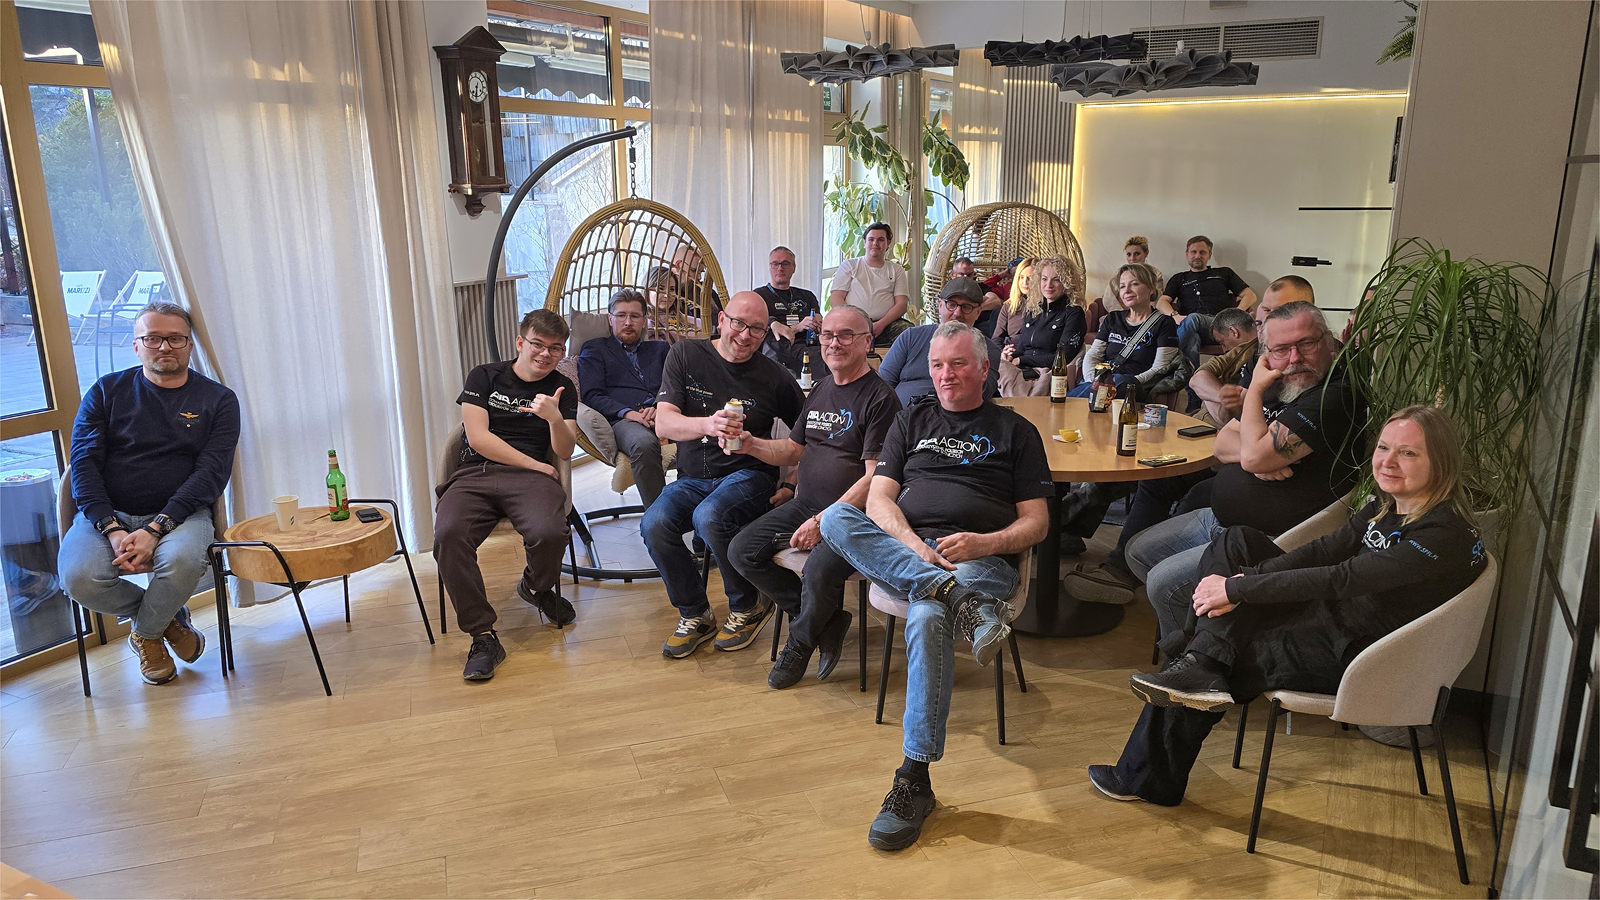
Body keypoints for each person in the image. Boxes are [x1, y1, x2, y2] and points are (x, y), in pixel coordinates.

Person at [1089, 406, 1486, 806]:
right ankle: (1200, 662)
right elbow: (1325, 550)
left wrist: (1238, 590)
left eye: (1408, 453)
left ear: (1441, 462)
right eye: (1384, 448)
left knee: (1229, 650)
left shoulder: (1442, 534)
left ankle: (1150, 768)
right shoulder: (1388, 505)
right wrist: (1245, 581)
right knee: (1237, 541)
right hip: (1331, 617)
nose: (1388, 461)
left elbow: (1341, 578)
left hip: (1360, 651)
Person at [810, 322, 1052, 850]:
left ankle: (913, 779)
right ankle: (954, 598)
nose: (946, 375)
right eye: (938, 365)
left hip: (980, 562)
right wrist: (914, 547)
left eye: (958, 364)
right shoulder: (911, 419)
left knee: (925, 612)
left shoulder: (1016, 432)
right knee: (836, 518)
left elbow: (1037, 524)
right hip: (910, 553)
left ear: (984, 369)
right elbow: (879, 498)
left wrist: (984, 543)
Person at [1129, 302, 1365, 640]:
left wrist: (1253, 396)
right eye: (1281, 349)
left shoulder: (1335, 395)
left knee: (1164, 584)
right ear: (1268, 351)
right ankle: (1205, 633)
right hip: (1223, 521)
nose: (1295, 358)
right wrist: (1258, 456)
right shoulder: (1281, 381)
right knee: (1138, 551)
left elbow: (1252, 457)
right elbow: (1222, 443)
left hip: (1271, 539)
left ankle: (1195, 658)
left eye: (1307, 343)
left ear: (1328, 341)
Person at [59, 302, 239, 686]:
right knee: (78, 578)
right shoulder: (106, 392)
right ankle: (167, 619)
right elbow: (83, 466)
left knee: (183, 563)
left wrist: (156, 528)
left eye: (175, 338)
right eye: (153, 338)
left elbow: (211, 474)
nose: (165, 347)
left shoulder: (219, 400)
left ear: (190, 345)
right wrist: (111, 529)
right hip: (106, 515)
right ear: (136, 345)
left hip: (182, 515)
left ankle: (146, 633)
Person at [726, 305, 901, 688]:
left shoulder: (880, 399)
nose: (833, 343)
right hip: (806, 504)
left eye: (845, 335)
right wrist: (751, 444)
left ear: (867, 342)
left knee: (819, 570)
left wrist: (824, 521)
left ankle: (800, 643)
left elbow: (875, 477)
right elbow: (792, 450)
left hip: (855, 518)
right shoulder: (821, 388)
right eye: (827, 335)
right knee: (741, 551)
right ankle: (826, 620)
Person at [645, 291, 805, 658]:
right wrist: (708, 424)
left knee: (710, 516)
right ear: (721, 320)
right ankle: (695, 613)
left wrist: (791, 482)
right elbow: (664, 424)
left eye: (757, 329)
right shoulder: (686, 354)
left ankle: (749, 606)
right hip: (692, 478)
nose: (745, 335)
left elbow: (810, 438)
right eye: (738, 324)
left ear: (766, 332)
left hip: (749, 475)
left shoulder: (775, 377)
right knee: (654, 523)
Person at [437, 309, 579, 681]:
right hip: (476, 473)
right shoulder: (484, 376)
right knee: (449, 535)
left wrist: (554, 418)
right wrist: (535, 465)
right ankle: (482, 636)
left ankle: (535, 586)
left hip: (531, 481)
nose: (545, 354)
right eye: (538, 344)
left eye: (555, 348)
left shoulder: (563, 387)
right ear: (520, 342)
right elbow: (477, 438)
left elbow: (565, 451)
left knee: (550, 533)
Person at [577, 289, 672, 509]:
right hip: (624, 420)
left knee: (707, 434)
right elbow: (592, 395)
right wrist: (630, 414)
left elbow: (674, 385)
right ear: (610, 319)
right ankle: (660, 518)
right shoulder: (595, 349)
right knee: (643, 444)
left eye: (634, 316)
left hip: (665, 413)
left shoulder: (660, 349)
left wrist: (660, 406)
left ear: (644, 320)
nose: (628, 322)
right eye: (621, 315)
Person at [1190, 276, 1313, 426]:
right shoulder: (1254, 353)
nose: (1268, 320)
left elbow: (1236, 420)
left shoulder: (1316, 367)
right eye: (1265, 312)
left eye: (1280, 311)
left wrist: (1214, 397)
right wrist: (1223, 397)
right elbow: (1197, 380)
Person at [879, 277, 1001, 406]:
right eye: (951, 305)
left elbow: (983, 392)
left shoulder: (988, 349)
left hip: (954, 415)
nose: (957, 313)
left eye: (966, 307)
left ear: (978, 312)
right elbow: (882, 384)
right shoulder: (911, 337)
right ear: (940, 305)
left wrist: (959, 344)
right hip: (902, 413)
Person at [1067, 263, 1180, 398]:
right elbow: (1094, 354)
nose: (1126, 290)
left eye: (1134, 284)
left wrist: (1128, 383)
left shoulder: (1164, 323)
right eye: (1122, 286)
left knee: (1121, 380)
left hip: (1134, 386)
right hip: (1101, 381)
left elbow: (1160, 368)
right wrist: (1093, 382)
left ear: (1151, 289)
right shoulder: (1112, 318)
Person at [997, 255, 1087, 397]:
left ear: (1067, 283)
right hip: (1022, 370)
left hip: (1047, 373)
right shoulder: (1034, 310)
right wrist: (1010, 357)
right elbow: (1022, 348)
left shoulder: (1073, 313)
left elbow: (1063, 357)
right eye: (1044, 279)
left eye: (1056, 279)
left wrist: (1021, 360)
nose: (1048, 285)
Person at [1161, 235, 1257, 367]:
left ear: (1209, 255)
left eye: (1202, 252)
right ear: (1187, 254)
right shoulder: (1179, 278)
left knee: (1193, 318)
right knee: (1192, 340)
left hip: (1219, 325)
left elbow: (1250, 296)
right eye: (1193, 252)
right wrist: (1175, 316)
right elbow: (1161, 302)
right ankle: (1192, 380)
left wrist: (1234, 316)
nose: (1197, 256)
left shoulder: (1224, 273)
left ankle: (1163, 362)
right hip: (1191, 328)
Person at [831, 223, 912, 346]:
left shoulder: (896, 270)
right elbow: (836, 299)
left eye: (881, 240)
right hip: (852, 323)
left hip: (886, 324)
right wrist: (858, 322)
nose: (875, 243)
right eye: (871, 239)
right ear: (865, 242)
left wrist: (881, 324)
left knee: (910, 334)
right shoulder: (850, 265)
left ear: (888, 244)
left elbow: (901, 305)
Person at [755, 246, 820, 375]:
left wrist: (819, 323)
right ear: (769, 267)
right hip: (780, 347)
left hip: (810, 344)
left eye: (785, 264)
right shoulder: (759, 296)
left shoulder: (807, 296)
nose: (780, 268)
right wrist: (796, 327)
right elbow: (755, 322)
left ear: (794, 268)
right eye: (775, 264)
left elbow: (818, 320)